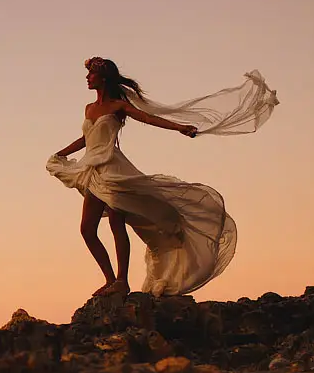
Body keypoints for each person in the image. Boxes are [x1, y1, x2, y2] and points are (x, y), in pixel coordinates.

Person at [48, 57, 278, 298]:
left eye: (91, 74)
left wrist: (179, 127)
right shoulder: (89, 109)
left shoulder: (117, 106)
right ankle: (109, 279)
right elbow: (87, 138)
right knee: (87, 229)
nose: (87, 78)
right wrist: (62, 153)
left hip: (113, 169)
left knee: (117, 223)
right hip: (91, 170)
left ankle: (121, 281)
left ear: (102, 77)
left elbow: (149, 118)